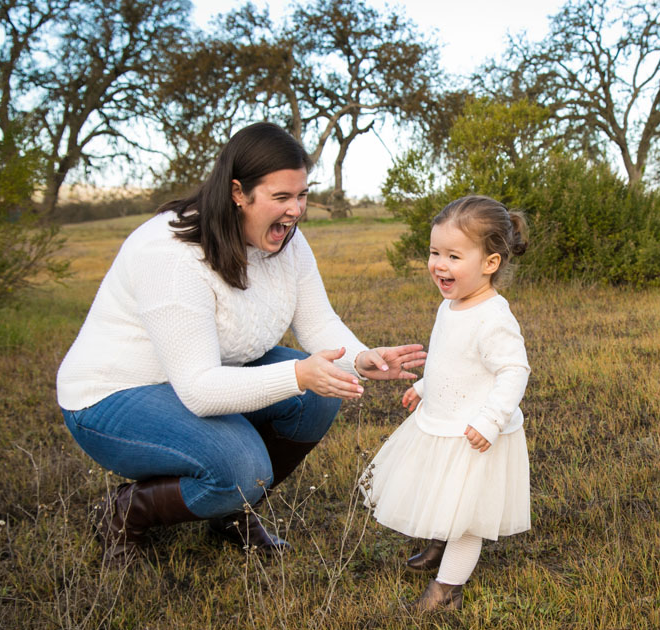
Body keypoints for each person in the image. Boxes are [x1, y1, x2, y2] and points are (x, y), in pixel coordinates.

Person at [56, 122, 426, 563]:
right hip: (113, 397)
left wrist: (361, 358)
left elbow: (318, 320)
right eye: (281, 197)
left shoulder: (287, 242)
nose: (296, 211)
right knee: (244, 468)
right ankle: (124, 513)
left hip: (201, 376)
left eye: (302, 195)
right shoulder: (171, 254)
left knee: (317, 398)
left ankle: (233, 513)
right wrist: (296, 374)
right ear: (238, 192)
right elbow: (197, 389)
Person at [363, 195, 531, 611]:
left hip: (475, 433)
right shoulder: (450, 305)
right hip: (443, 420)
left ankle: (445, 591)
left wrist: (491, 420)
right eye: (434, 252)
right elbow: (448, 357)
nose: (439, 264)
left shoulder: (494, 318)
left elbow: (514, 371)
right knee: (441, 490)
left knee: (468, 518)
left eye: (453, 255)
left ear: (489, 263)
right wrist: (424, 387)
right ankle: (439, 543)